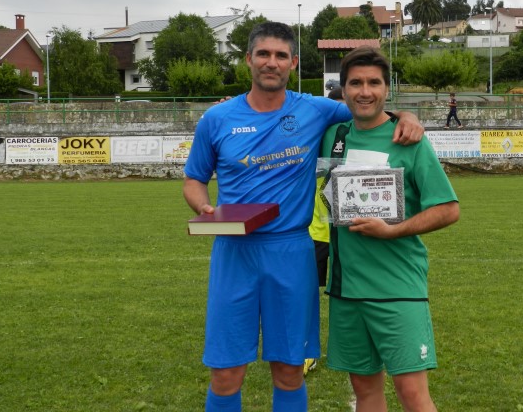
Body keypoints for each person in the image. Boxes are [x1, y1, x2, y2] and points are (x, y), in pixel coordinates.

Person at [182, 22, 425, 412]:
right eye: (263, 54)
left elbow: (366, 105)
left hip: (292, 252)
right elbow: (194, 179)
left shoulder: (314, 109)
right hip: (234, 252)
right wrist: (203, 207)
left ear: (293, 63)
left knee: (289, 371)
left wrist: (407, 114)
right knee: (225, 373)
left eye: (281, 56)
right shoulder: (217, 118)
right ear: (248, 59)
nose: (271, 63)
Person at [321, 46, 460, 412]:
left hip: (397, 287)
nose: (365, 91)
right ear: (344, 89)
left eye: (374, 83)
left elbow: (448, 209)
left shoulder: (409, 139)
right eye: (356, 83)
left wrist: (392, 231)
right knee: (365, 391)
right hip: (347, 290)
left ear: (387, 89)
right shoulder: (333, 134)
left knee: (412, 394)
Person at [304, 86, 344, 376]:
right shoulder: (314, 135)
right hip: (316, 230)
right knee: (307, 293)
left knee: (350, 293)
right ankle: (307, 350)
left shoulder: (360, 134)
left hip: (352, 233)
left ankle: (352, 346)